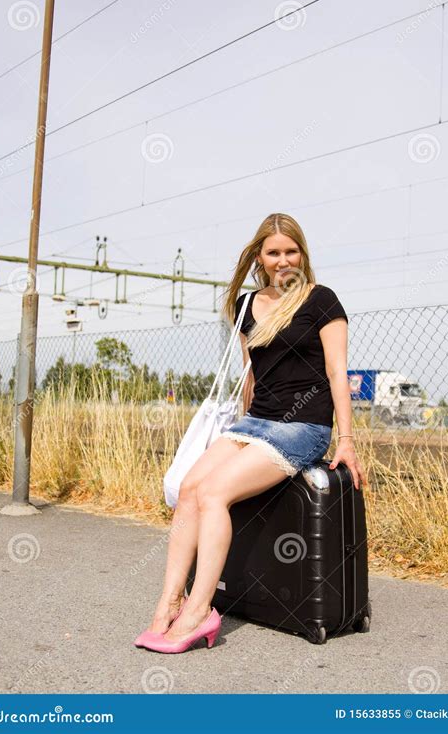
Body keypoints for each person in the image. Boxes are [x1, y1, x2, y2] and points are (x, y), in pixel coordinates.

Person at [134, 212, 367, 654]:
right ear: (259, 256)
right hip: (255, 423)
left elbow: (338, 373)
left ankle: (200, 612)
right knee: (189, 488)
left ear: (303, 253)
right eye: (274, 252)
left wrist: (347, 440)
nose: (283, 260)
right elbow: (252, 378)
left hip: (303, 428)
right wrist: (237, 436)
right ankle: (169, 602)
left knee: (215, 493)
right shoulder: (244, 306)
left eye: (291, 251)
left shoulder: (321, 300)